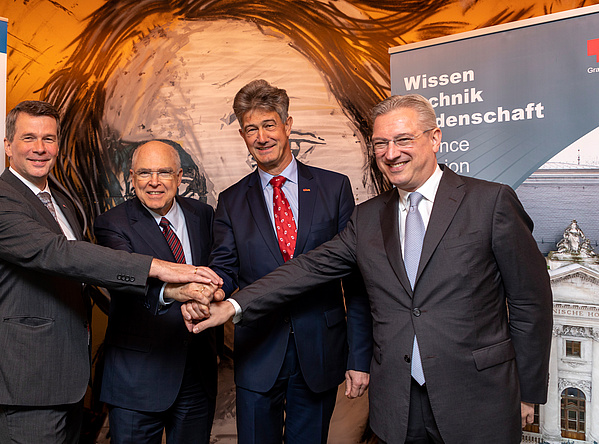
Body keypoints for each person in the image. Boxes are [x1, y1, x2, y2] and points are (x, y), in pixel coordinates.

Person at [187, 94, 553, 444]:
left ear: (435, 138)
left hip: (478, 399)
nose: (391, 154)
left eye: (403, 139)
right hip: (398, 405)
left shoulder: (491, 202)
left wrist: (528, 392)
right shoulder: (367, 218)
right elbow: (308, 268)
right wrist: (232, 307)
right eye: (380, 144)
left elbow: (530, 302)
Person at [0, 100, 221, 444]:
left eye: (49, 138)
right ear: (8, 145)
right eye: (29, 138)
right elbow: (58, 254)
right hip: (26, 383)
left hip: (67, 381)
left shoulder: (60, 199)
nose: (40, 149)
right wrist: (159, 268)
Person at [206, 79, 371, 443]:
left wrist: (359, 358)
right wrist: (205, 292)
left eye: (269, 125)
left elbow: (356, 281)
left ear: (287, 125)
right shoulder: (231, 201)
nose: (262, 137)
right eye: (252, 129)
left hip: (321, 351)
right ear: (242, 134)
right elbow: (224, 268)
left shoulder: (334, 188)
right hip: (257, 351)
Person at [93, 140, 220, 443]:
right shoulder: (112, 224)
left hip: (196, 374)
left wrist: (212, 295)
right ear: (132, 177)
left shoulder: (203, 215)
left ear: (179, 177)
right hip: (137, 378)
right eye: (144, 173)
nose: (153, 182)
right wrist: (180, 291)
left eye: (163, 173)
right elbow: (126, 282)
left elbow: (220, 268)